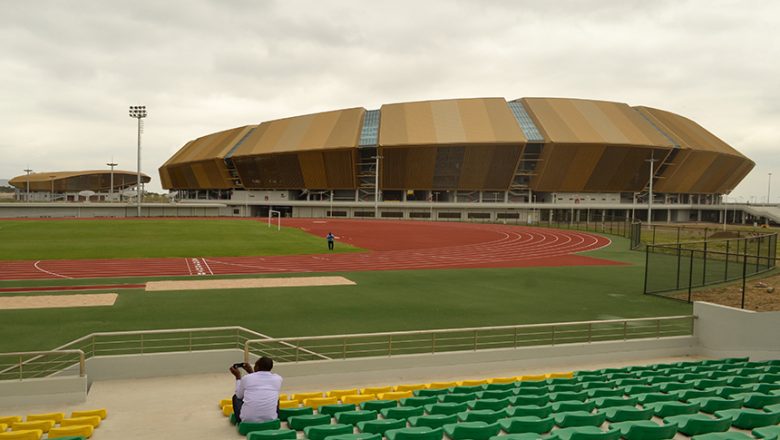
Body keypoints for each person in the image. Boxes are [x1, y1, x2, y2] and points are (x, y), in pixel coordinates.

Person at [230, 356, 282, 423]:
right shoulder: (278, 379)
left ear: (257, 367)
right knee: (275, 397)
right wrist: (251, 372)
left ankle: (240, 421)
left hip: (248, 421)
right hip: (271, 420)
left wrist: (238, 377)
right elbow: (261, 382)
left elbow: (239, 395)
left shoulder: (247, 378)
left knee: (235, 398)